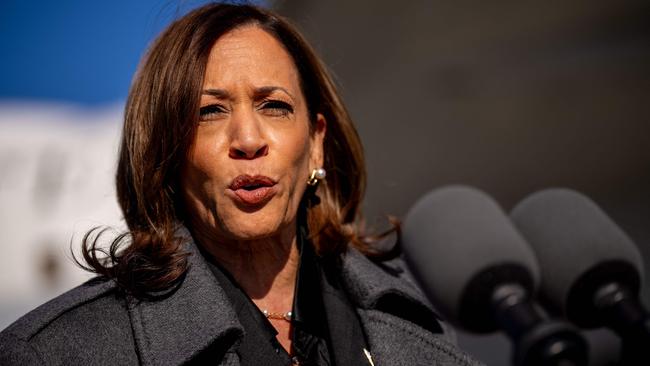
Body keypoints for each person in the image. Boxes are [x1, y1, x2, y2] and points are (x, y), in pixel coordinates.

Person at [0, 3, 482, 365]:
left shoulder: (417, 323)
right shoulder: (54, 352)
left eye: (274, 105)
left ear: (315, 144)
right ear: (164, 154)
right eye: (210, 112)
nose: (248, 140)